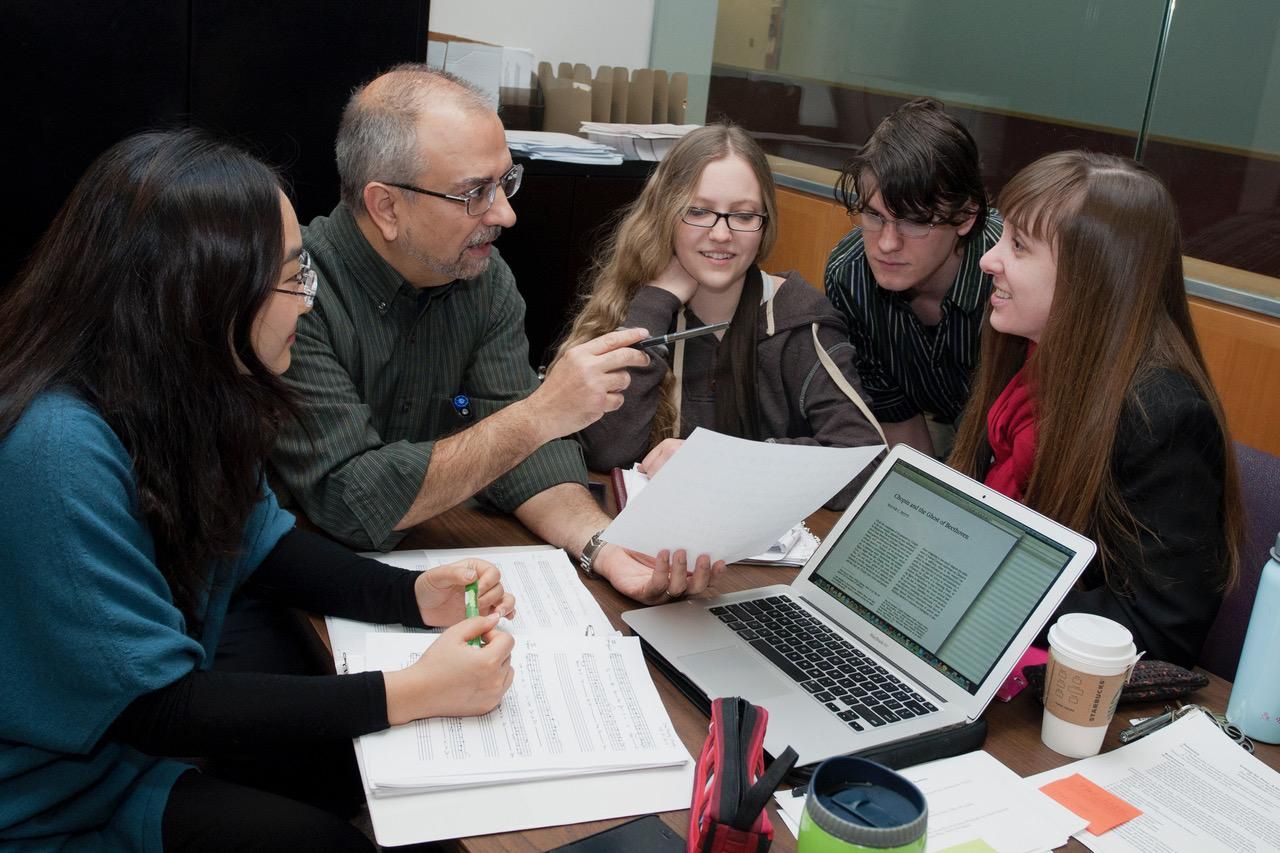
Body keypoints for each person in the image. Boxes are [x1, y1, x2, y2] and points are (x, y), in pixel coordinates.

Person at [0, 129, 519, 851]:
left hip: (120, 767)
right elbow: (157, 703)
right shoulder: (56, 449)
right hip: (43, 803)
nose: (306, 304)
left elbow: (259, 543)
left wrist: (408, 596)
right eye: (290, 278)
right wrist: (414, 692)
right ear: (198, 296)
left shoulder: (191, 393)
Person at [270, 64, 721, 602]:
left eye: (505, 181)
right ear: (385, 206)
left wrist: (603, 547)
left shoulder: (482, 279)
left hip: (437, 576)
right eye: (473, 193)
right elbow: (352, 500)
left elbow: (520, 449)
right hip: (304, 590)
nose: (504, 214)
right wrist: (538, 414)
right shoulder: (292, 296)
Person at [948, 150, 1244, 666]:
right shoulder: (1024, 355)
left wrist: (980, 582)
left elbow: (1159, 631)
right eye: (1001, 237)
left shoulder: (1163, 416)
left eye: (1018, 246)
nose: (988, 259)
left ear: (1092, 277)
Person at [561, 124, 884, 510]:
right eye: (698, 211)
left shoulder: (797, 318)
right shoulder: (639, 305)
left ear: (764, 225)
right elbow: (605, 450)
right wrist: (657, 302)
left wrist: (715, 463)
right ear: (666, 214)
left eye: (744, 216)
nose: (721, 234)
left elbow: (864, 463)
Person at [824, 98, 1003, 458]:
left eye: (917, 221)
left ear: (967, 216)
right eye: (874, 216)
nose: (887, 245)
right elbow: (900, 427)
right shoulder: (850, 276)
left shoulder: (1007, 274)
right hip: (941, 431)